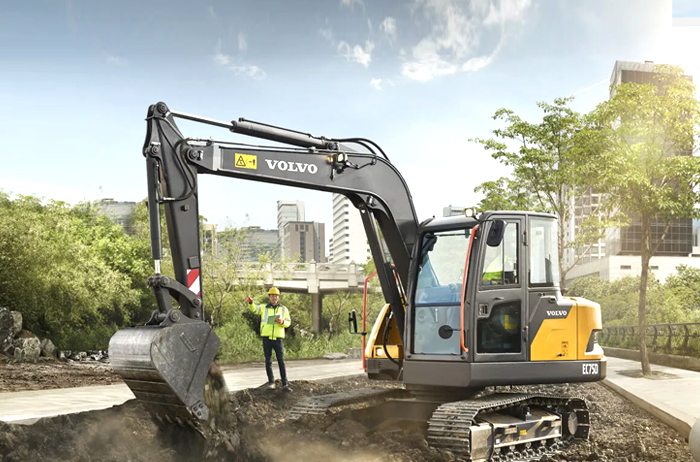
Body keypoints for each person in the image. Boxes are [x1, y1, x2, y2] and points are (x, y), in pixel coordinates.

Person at [246, 287, 292, 392]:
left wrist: (282, 322)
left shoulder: (284, 309)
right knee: (268, 361)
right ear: (269, 297)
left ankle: (285, 384)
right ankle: (271, 383)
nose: (274, 297)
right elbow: (254, 309)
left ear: (278, 297)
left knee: (281, 361)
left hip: (278, 338)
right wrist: (251, 303)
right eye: (272, 296)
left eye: (276, 296)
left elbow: (288, 322)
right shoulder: (264, 307)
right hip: (266, 338)